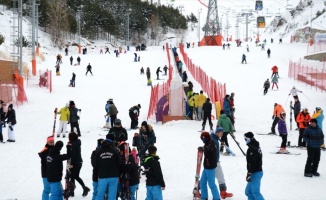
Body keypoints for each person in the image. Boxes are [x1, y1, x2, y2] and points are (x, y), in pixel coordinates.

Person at [210, 127, 233, 199]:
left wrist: (221, 141)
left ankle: (223, 193)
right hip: (212, 163)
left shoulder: (215, 138)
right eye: (221, 132)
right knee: (208, 178)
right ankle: (197, 189)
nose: (222, 134)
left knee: (220, 177)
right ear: (217, 132)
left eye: (222, 132)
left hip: (216, 162)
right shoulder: (212, 139)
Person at [198, 132, 220, 200]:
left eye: (202, 138)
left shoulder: (212, 144)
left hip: (210, 167)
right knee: (202, 183)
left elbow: (209, 148)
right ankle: (204, 197)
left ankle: (216, 198)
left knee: (211, 184)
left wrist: (203, 149)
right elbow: (206, 147)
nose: (202, 140)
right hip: (206, 167)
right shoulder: (208, 142)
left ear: (205, 138)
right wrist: (203, 147)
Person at [244, 132, 264, 200]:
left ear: (251, 139)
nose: (245, 141)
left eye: (246, 139)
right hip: (254, 172)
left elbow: (253, 162)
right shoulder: (254, 146)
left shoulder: (253, 149)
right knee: (248, 192)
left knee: (255, 192)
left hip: (256, 172)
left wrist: (249, 173)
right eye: (244, 139)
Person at [68, 132, 90, 197]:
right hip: (79, 161)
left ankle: (72, 192)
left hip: (74, 162)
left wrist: (71, 164)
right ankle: (84, 188)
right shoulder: (77, 142)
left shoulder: (72, 144)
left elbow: (73, 155)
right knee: (76, 176)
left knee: (72, 176)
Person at [38, 136, 54, 200]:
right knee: (47, 189)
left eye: (53, 142)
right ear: (47, 142)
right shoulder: (46, 151)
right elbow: (47, 161)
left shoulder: (53, 149)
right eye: (50, 142)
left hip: (52, 172)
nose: (52, 143)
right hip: (46, 172)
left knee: (53, 189)